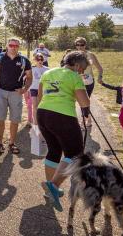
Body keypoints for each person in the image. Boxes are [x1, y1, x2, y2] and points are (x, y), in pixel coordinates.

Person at [36, 51, 91, 211]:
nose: (82, 72)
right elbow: (84, 102)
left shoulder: (48, 72)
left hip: (43, 113)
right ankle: (53, 185)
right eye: (83, 69)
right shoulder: (74, 76)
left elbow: (39, 96)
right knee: (75, 154)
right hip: (62, 116)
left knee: (54, 150)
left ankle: (50, 189)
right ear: (78, 65)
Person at [0, 38, 32, 155]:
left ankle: (11, 143)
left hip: (16, 93)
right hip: (1, 92)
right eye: (11, 45)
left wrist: (24, 89)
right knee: (0, 118)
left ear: (19, 47)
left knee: (14, 119)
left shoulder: (24, 60)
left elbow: (29, 77)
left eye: (16, 46)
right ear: (7, 46)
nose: (13, 47)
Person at [73, 37, 103, 127]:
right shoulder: (74, 56)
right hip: (77, 81)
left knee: (85, 100)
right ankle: (87, 118)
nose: (79, 47)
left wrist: (100, 77)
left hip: (89, 82)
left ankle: (84, 120)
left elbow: (100, 69)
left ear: (85, 45)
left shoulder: (91, 55)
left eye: (81, 44)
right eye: (77, 45)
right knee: (81, 101)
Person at [24, 53, 50, 127]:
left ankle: (41, 121)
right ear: (34, 60)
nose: (40, 61)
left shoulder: (47, 69)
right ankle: (35, 122)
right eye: (38, 59)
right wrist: (26, 90)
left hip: (42, 90)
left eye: (41, 59)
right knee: (34, 106)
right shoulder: (31, 69)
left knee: (40, 106)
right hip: (33, 89)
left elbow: (49, 80)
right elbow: (27, 80)